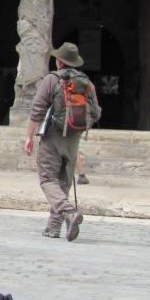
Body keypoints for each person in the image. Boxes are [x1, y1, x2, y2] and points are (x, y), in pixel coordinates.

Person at [24, 42, 101, 241]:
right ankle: (53, 227)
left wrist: (29, 137)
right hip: (74, 139)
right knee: (64, 181)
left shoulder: (52, 79)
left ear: (59, 61)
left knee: (48, 179)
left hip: (53, 137)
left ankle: (68, 211)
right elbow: (96, 112)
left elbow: (37, 110)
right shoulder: (86, 82)